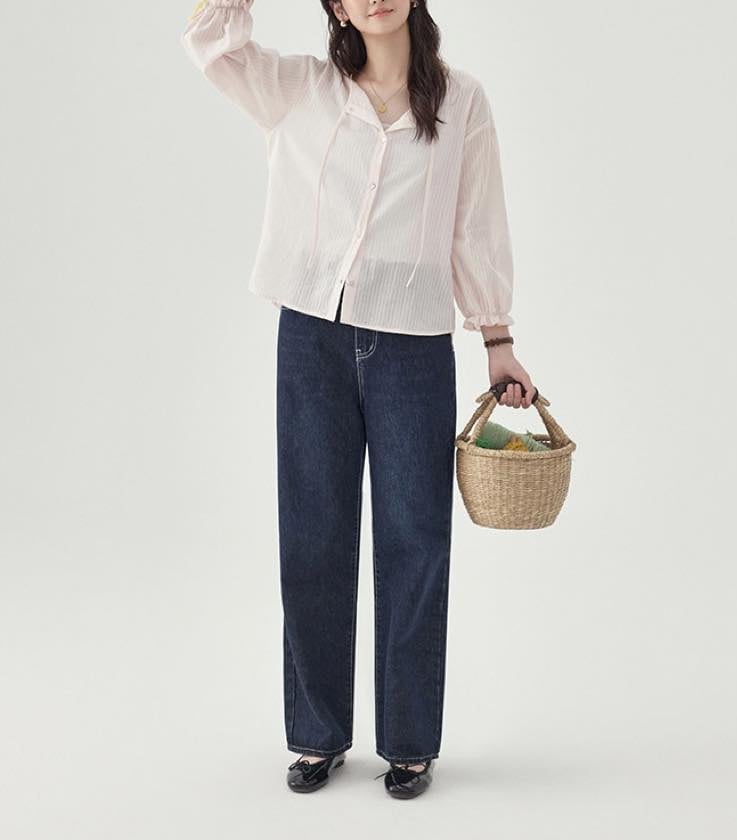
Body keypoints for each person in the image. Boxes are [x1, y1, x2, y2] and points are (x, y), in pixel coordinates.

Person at [181, 0, 535, 799]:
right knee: (313, 535)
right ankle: (316, 734)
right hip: (312, 338)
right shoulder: (298, 89)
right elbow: (210, 41)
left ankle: (409, 743)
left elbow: (476, 223)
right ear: (335, 7)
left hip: (414, 348)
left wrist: (497, 337)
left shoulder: (462, 102)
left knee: (417, 541)